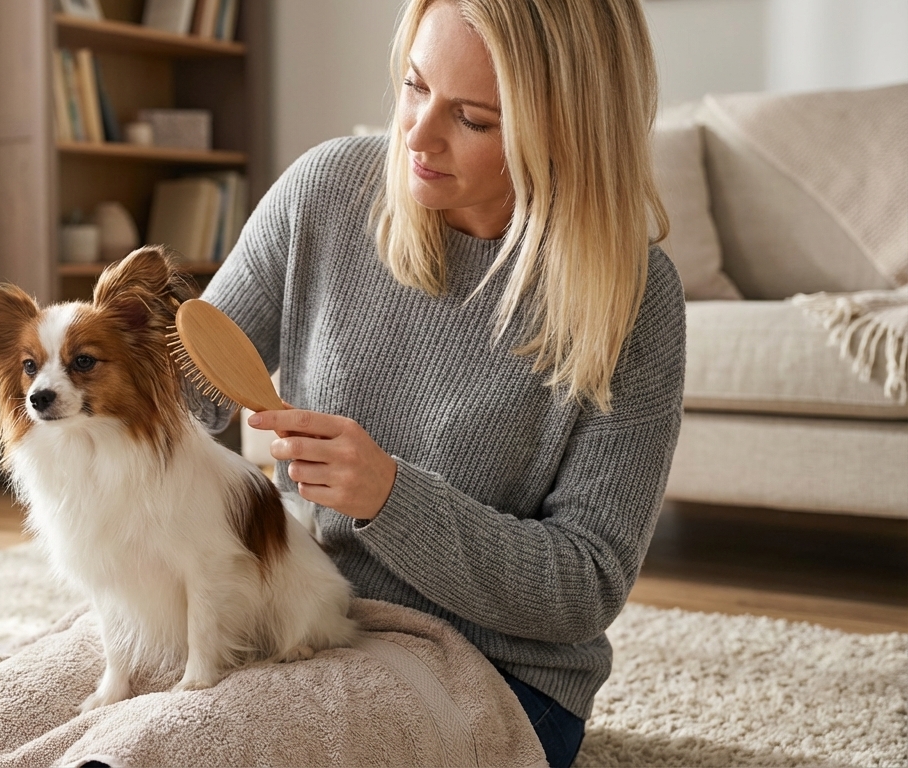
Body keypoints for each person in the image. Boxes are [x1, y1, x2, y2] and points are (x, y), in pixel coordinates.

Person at [197, 1, 685, 766]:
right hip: (302, 612)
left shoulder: (633, 296)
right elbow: (191, 377)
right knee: (29, 697)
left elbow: (586, 585)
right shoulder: (327, 190)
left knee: (192, 742)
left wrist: (391, 496)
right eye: (414, 85)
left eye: (475, 119)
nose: (416, 134)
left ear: (566, 128)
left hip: (498, 677)